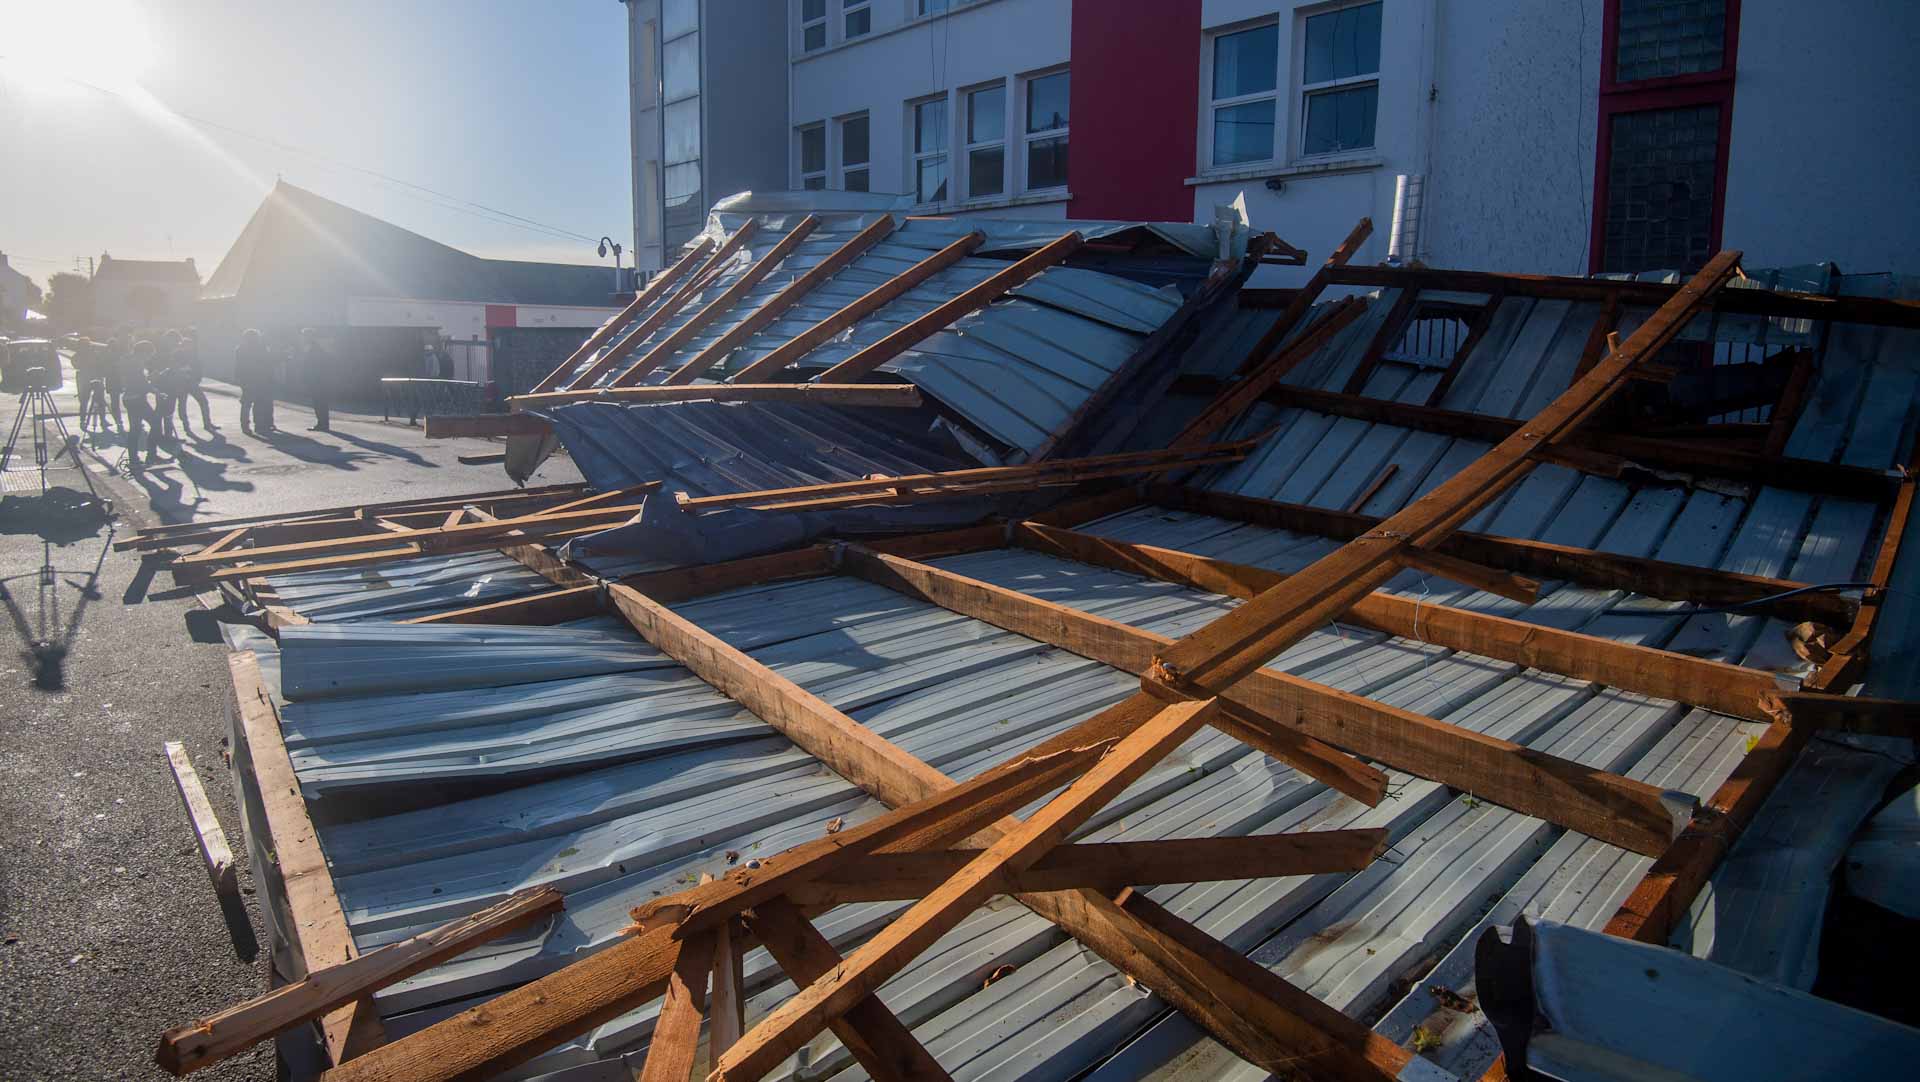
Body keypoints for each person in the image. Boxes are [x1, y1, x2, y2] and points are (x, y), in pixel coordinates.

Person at [122, 340, 166, 470]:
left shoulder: (130, 361)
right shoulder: (136, 364)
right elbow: (141, 384)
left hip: (131, 399)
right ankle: (151, 455)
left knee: (135, 430)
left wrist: (149, 381)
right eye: (149, 355)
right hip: (137, 400)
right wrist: (156, 391)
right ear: (143, 352)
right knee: (156, 424)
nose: (149, 358)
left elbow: (138, 381)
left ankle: (134, 459)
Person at [166, 329, 216, 431]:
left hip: (192, 382)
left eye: (190, 346)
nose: (189, 348)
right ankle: (186, 426)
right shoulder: (177, 354)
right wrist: (184, 371)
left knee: (203, 402)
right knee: (182, 405)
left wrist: (197, 378)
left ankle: (207, 423)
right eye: (187, 345)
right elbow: (174, 368)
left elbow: (198, 368)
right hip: (181, 384)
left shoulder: (193, 355)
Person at [235, 328, 274, 435]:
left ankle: (245, 426)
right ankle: (259, 425)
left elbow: (238, 366)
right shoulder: (261, 348)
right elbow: (267, 363)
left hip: (246, 380)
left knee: (246, 404)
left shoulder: (240, 349)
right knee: (258, 403)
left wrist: (239, 379)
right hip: (259, 380)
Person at [300, 327, 333, 432]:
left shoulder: (315, 349)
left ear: (309, 337)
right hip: (317, 380)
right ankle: (322, 423)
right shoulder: (312, 348)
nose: (302, 338)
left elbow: (315, 366)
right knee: (319, 402)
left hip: (318, 381)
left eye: (304, 336)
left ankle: (322, 424)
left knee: (320, 402)